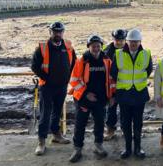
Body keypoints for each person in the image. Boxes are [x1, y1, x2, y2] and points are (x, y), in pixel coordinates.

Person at [31, 21, 76, 156]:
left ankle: (56, 135)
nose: (57, 34)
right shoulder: (42, 48)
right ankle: (41, 141)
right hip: (47, 87)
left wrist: (68, 78)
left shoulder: (68, 46)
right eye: (55, 31)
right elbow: (34, 66)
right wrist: (47, 78)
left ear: (63, 32)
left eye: (60, 31)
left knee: (57, 112)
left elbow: (73, 62)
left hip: (62, 86)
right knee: (45, 113)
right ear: (50, 32)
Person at [68, 35, 115, 163]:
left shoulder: (106, 60)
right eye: (93, 46)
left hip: (100, 99)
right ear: (89, 47)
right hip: (84, 99)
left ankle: (98, 145)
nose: (96, 48)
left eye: (98, 46)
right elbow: (74, 80)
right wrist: (86, 94)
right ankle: (77, 149)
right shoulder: (82, 60)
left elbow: (111, 81)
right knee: (80, 124)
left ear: (101, 46)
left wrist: (111, 96)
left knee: (100, 123)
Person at [111, 29, 152, 159]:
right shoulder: (118, 54)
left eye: (136, 41)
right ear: (127, 42)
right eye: (131, 41)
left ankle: (138, 148)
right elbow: (113, 72)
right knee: (125, 123)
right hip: (124, 95)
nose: (133, 44)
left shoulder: (146, 54)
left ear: (140, 42)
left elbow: (149, 70)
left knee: (138, 123)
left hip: (139, 94)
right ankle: (128, 148)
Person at [103, 28, 127, 141]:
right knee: (111, 109)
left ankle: (125, 129)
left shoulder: (129, 50)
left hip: (125, 86)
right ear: (113, 39)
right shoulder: (107, 52)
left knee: (125, 109)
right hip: (111, 87)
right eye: (117, 40)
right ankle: (110, 130)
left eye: (122, 40)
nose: (119, 42)